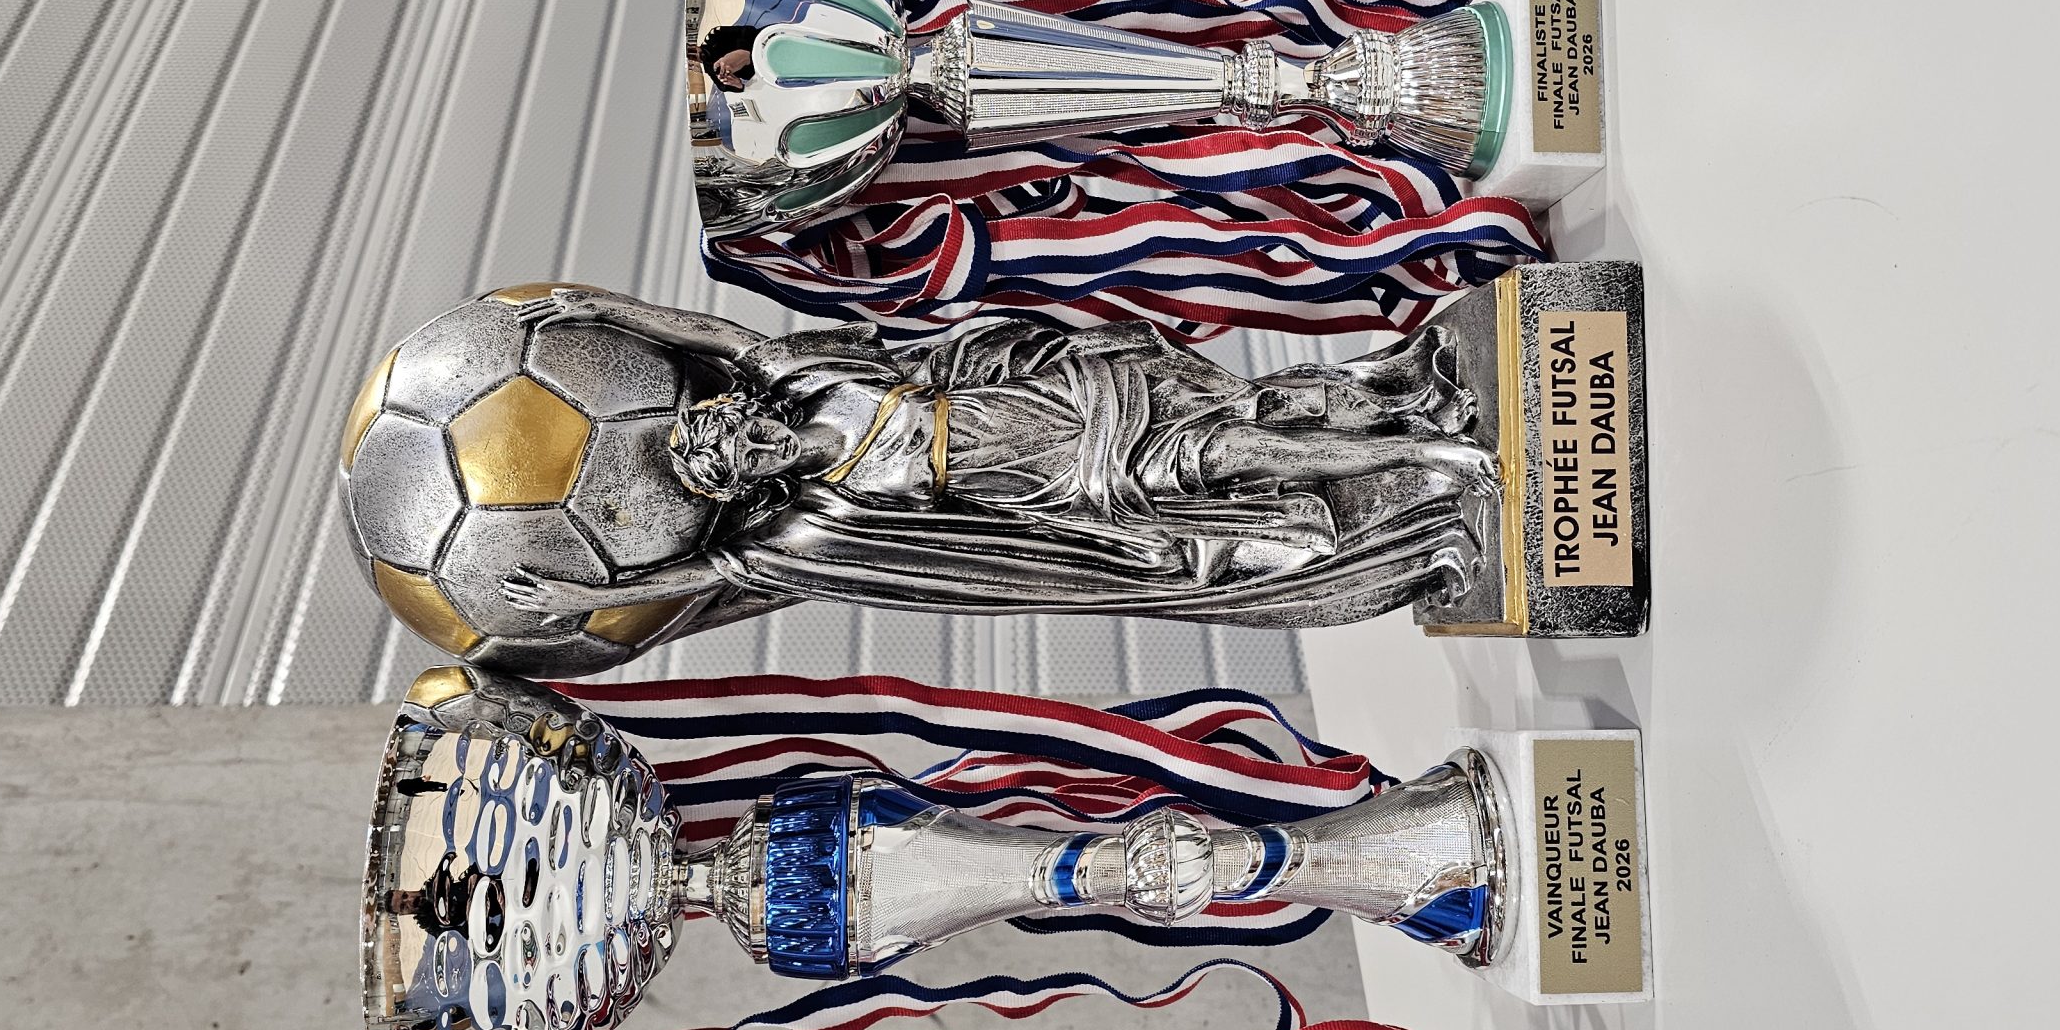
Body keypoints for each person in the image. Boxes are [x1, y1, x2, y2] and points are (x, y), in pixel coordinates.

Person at [494, 288, 1493, 638]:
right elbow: (711, 572)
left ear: (741, 408)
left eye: (734, 429)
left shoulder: (803, 376)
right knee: (1213, 460)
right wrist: (581, 602)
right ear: (746, 485)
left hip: (1053, 401)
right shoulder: (807, 527)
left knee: (1250, 406)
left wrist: (602, 311)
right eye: (735, 465)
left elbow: (708, 330)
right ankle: (1431, 470)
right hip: (1057, 492)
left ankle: (1418, 416)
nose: (751, 445)